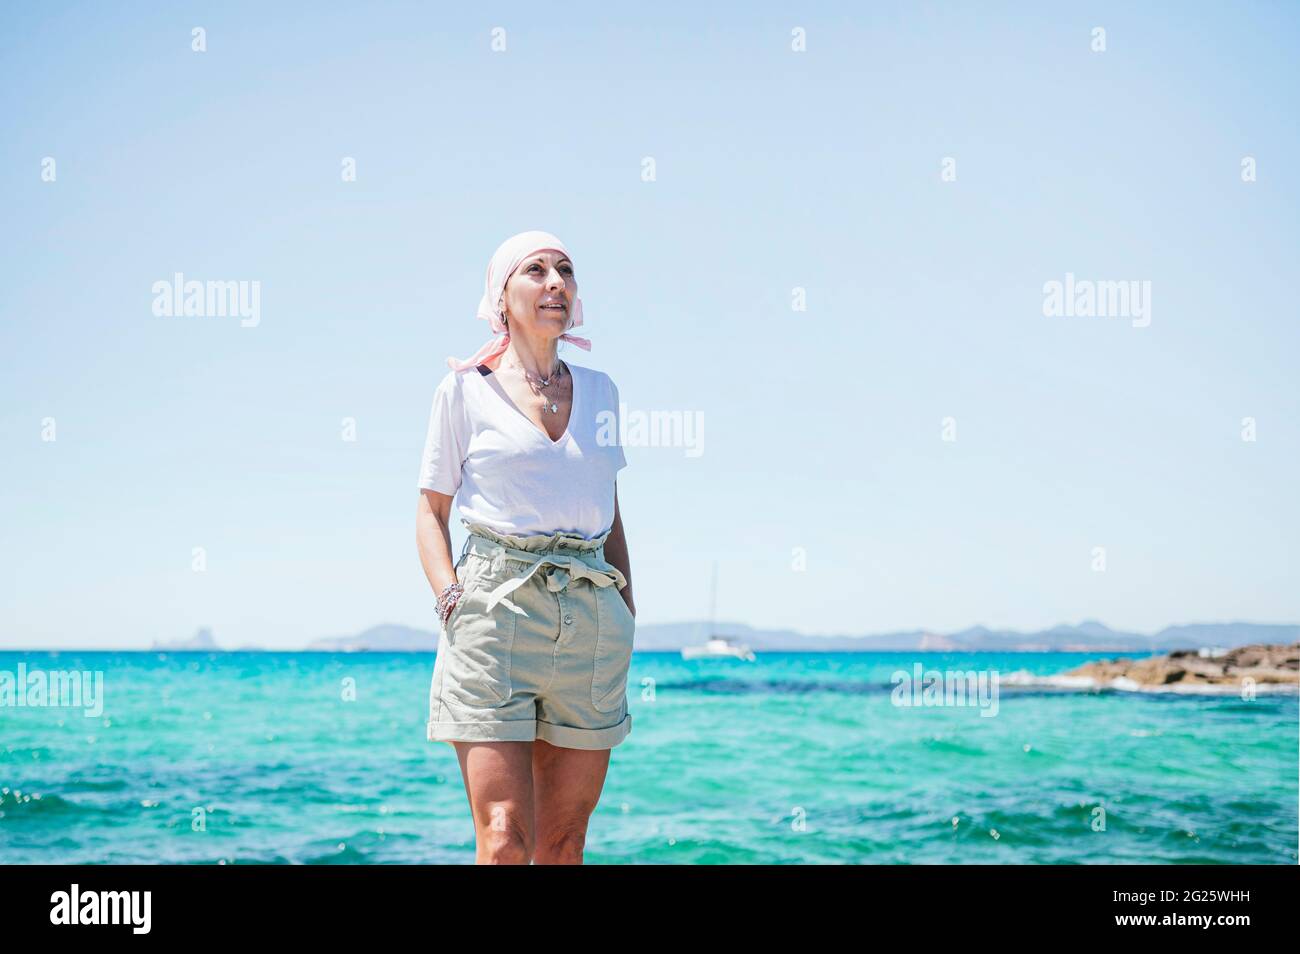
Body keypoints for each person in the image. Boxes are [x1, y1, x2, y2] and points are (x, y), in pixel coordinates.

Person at [415, 230, 636, 865]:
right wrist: (453, 599)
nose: (554, 283)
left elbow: (609, 513)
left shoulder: (601, 393)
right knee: (505, 834)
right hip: (495, 609)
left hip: (591, 613)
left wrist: (626, 616)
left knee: (564, 843)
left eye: (564, 270)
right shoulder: (463, 390)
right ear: (500, 295)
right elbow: (431, 513)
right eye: (534, 271)